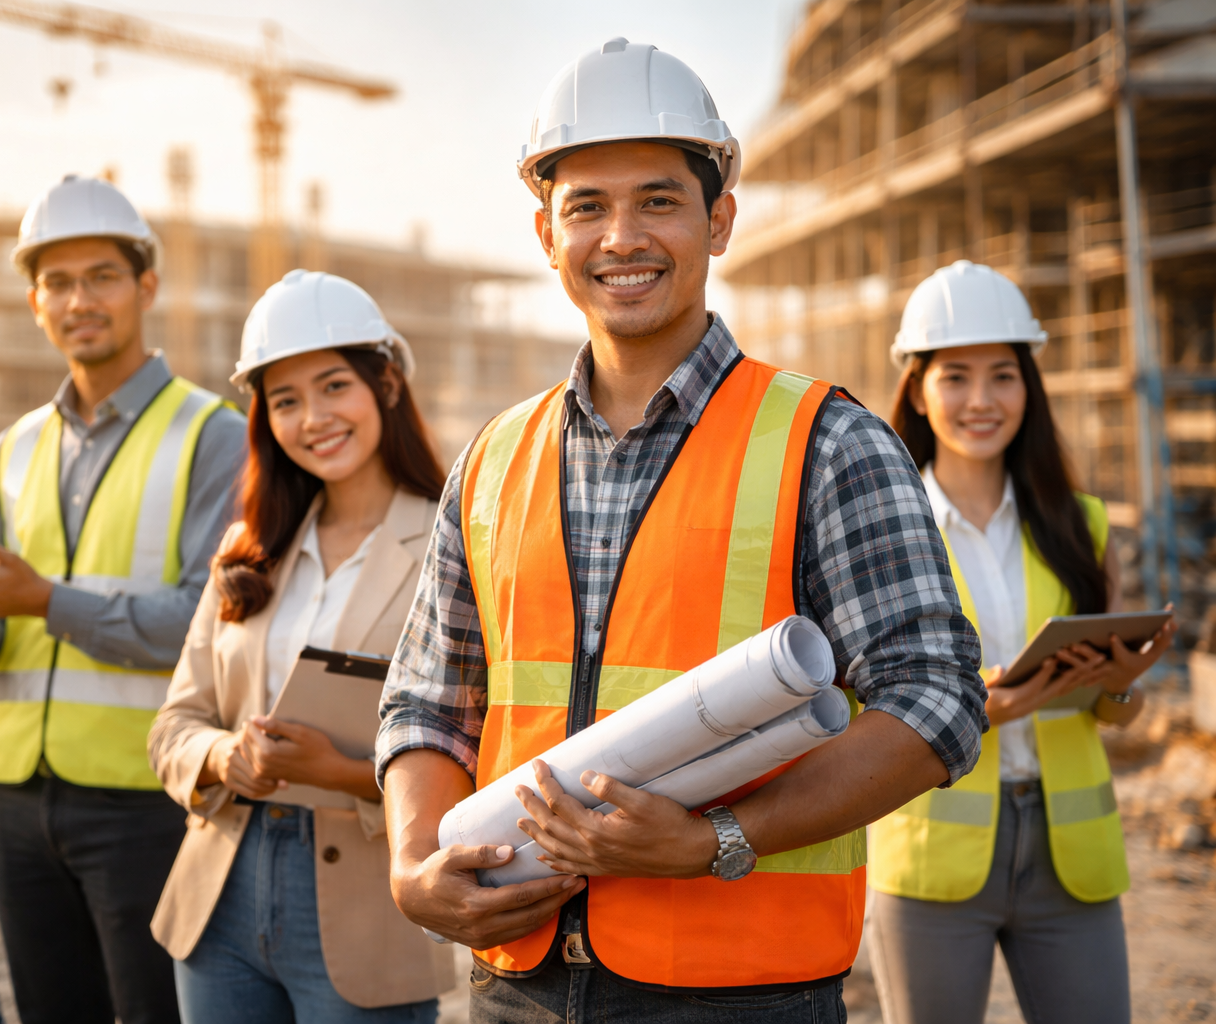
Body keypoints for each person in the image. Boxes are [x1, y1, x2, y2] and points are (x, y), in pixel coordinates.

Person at [375, 39, 990, 1022]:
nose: (622, 236)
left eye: (658, 199)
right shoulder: (492, 458)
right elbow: (426, 706)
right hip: (516, 982)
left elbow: (935, 703)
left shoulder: (826, 440)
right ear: (545, 234)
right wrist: (411, 866)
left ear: (721, 220)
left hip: (739, 991)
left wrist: (719, 839)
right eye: (587, 206)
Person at [0, 175, 246, 1024]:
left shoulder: (215, 438)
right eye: (57, 284)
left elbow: (208, 630)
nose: (79, 300)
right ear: (34, 302)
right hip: (17, 801)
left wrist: (41, 599)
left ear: (146, 287)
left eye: (101, 276)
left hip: (150, 796)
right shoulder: (10, 452)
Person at [865, 260, 1174, 1024]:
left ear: (1028, 388)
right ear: (918, 389)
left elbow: (1119, 721)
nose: (981, 400)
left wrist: (1120, 683)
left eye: (1003, 376)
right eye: (956, 376)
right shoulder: (882, 536)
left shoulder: (1084, 526)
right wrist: (978, 713)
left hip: (1073, 860)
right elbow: (846, 714)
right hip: (932, 856)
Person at [148, 270, 457, 1024]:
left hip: (368, 908)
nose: (312, 417)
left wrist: (346, 774)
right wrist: (227, 758)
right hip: (220, 895)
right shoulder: (251, 550)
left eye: (332, 387)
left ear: (385, 384)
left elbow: (480, 750)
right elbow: (173, 725)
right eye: (285, 400)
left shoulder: (454, 546)